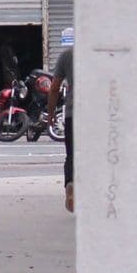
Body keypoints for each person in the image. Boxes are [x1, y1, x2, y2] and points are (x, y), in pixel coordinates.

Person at [55, 29, 76, 212]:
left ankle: (71, 182)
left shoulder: (66, 56)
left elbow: (54, 87)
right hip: (94, 115)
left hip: (72, 113)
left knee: (72, 155)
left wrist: (51, 113)